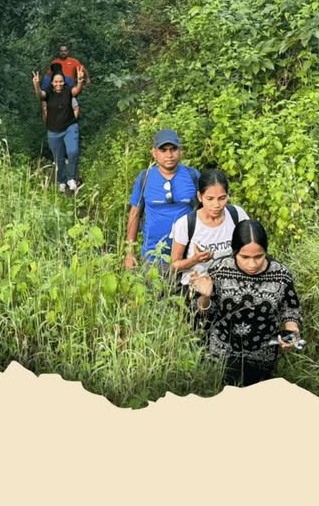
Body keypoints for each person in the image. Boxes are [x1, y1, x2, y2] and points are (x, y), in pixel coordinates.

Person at [189, 219, 302, 386]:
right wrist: (205, 296)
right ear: (234, 251)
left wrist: (291, 332)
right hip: (223, 355)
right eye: (245, 257)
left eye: (259, 257)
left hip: (263, 357)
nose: (252, 264)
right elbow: (202, 314)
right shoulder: (219, 269)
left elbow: (291, 310)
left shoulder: (281, 274)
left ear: (266, 251)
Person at [124, 130, 200, 275]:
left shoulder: (193, 176)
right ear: (154, 153)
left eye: (173, 149)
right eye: (163, 150)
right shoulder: (145, 177)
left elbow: (205, 210)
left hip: (188, 256)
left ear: (180, 150)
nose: (169, 155)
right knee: (153, 290)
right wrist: (129, 252)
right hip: (153, 257)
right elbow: (134, 214)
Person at [169, 168, 249, 292]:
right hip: (196, 287)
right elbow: (174, 266)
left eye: (222, 198)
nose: (216, 205)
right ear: (200, 197)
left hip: (232, 286)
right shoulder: (185, 224)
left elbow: (250, 249)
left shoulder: (237, 215)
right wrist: (195, 259)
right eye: (210, 199)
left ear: (228, 196)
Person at [32, 66, 84, 193]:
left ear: (64, 82)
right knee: (59, 158)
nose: (58, 84)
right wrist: (36, 85)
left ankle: (71, 179)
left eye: (61, 81)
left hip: (70, 127)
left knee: (73, 152)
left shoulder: (68, 91)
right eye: (56, 82)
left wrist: (80, 81)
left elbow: (76, 90)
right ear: (52, 83)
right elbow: (40, 95)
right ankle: (61, 181)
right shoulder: (48, 93)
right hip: (54, 131)